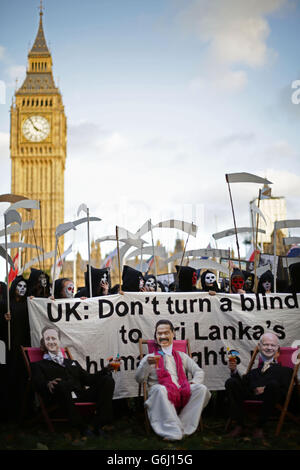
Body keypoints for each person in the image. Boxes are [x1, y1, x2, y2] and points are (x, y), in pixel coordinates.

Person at [31, 325, 115, 437]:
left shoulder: (71, 363)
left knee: (107, 380)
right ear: (42, 346)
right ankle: (81, 427)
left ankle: (98, 424)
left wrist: (106, 370)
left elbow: (89, 380)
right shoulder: (38, 365)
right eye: (47, 340)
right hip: (61, 396)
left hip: (81, 394)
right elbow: (37, 382)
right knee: (60, 384)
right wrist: (48, 383)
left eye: (54, 339)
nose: (51, 342)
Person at [135, 319, 211, 441]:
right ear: (156, 337)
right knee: (160, 389)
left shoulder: (182, 356)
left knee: (201, 389)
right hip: (161, 392)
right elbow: (139, 379)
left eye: (166, 333)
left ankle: (183, 427)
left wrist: (193, 383)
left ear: (173, 334)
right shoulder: (150, 358)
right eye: (159, 334)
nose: (163, 336)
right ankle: (171, 432)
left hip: (181, 390)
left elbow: (199, 371)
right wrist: (146, 365)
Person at [225, 332, 293, 439]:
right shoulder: (253, 372)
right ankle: (239, 425)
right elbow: (242, 387)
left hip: (271, 396)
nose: (269, 348)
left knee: (273, 385)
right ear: (259, 346)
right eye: (266, 345)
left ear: (277, 349)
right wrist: (234, 371)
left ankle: (259, 426)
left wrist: (266, 388)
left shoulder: (286, 371)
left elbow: (285, 390)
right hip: (252, 395)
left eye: (273, 345)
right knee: (231, 382)